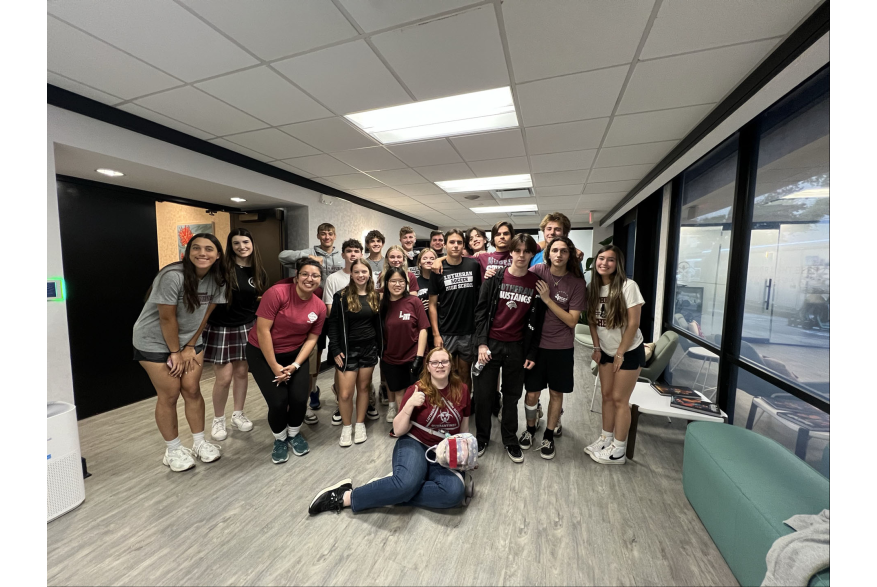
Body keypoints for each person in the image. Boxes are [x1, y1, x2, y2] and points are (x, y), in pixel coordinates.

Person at [308, 347, 472, 516]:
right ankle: (345, 496)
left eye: (444, 361)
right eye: (435, 362)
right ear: (428, 366)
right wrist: (409, 405)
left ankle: (390, 487)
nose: (440, 365)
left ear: (451, 365)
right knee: (406, 485)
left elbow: (464, 430)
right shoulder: (416, 389)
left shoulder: (463, 390)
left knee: (453, 493)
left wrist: (466, 455)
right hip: (415, 443)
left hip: (444, 450)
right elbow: (399, 430)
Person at [132, 233, 226, 472]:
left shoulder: (218, 278)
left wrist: (190, 346)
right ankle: (173, 449)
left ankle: (199, 443)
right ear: (188, 252)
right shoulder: (173, 275)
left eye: (208, 249)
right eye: (196, 248)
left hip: (189, 342)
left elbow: (205, 315)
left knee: (193, 390)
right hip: (154, 340)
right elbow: (166, 317)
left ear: (217, 255)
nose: (202, 253)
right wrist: (175, 351)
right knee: (170, 393)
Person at [473, 233, 546, 463]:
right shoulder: (495, 278)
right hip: (490, 345)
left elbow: (538, 323)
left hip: (517, 348)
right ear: (511, 253)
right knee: (484, 395)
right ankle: (482, 439)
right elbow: (481, 313)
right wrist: (482, 343)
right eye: (518, 250)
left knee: (512, 397)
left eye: (527, 251)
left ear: (532, 254)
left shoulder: (536, 285)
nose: (522, 255)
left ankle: (510, 440)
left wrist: (532, 352)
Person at [246, 258, 326, 464]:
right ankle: (280, 439)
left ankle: (294, 434)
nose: (310, 279)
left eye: (315, 275)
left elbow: (312, 338)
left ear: (320, 279)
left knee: (300, 399)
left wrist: (296, 365)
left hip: (294, 355)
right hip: (262, 354)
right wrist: (275, 367)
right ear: (296, 276)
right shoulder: (277, 293)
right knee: (279, 401)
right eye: (305, 274)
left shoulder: (318, 306)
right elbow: (263, 331)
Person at [520, 236, 585, 460]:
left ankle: (548, 434)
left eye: (563, 251)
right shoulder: (538, 270)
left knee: (557, 393)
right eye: (554, 250)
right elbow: (515, 273)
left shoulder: (576, 282)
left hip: (561, 347)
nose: (558, 254)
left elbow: (572, 320)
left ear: (570, 255)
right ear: (548, 253)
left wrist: (547, 299)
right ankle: (530, 429)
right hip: (535, 346)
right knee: (531, 393)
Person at [204, 229, 267, 441]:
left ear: (252, 244)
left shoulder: (259, 272)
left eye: (245, 242)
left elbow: (257, 300)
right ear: (230, 246)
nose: (242, 246)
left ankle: (238, 414)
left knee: (242, 373)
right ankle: (218, 419)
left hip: (246, 327)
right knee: (223, 378)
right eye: (236, 243)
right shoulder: (221, 269)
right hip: (221, 327)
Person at [585, 245, 645, 466]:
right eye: (601, 258)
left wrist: (620, 352)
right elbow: (592, 320)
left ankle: (618, 450)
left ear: (617, 264)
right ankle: (605, 439)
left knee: (621, 400)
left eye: (610, 260)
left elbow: (633, 323)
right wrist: (597, 347)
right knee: (607, 396)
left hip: (628, 351)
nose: (604, 263)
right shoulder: (593, 287)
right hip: (606, 352)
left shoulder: (628, 286)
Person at [279, 223, 342, 414]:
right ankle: (312, 390)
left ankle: (340, 390)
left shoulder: (340, 256)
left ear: (335, 235)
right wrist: (307, 258)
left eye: (330, 233)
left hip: (338, 312)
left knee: (340, 353)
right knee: (316, 350)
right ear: (318, 235)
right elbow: (282, 256)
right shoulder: (309, 252)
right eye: (323, 233)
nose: (326, 236)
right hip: (315, 310)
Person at [327, 258, 383, 446]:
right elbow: (333, 324)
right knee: (344, 394)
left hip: (369, 349)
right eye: (356, 272)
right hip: (346, 350)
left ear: (369, 274)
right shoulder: (341, 296)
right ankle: (346, 427)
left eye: (364, 272)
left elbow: (379, 324)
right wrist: (335, 349)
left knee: (364, 388)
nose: (360, 275)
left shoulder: (375, 296)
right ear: (351, 274)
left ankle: (359, 424)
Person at [428, 229, 482, 391]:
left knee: (466, 372)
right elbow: (432, 305)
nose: (456, 245)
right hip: (446, 332)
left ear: (464, 245)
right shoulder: (437, 269)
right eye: (452, 242)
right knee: (444, 372)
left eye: (459, 242)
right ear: (444, 245)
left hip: (468, 331)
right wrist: (436, 334)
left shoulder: (473, 265)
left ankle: (464, 406)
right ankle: (444, 406)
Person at [379, 267, 429, 423]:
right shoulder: (382, 305)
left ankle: (420, 424)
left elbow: (423, 329)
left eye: (401, 281)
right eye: (393, 281)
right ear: (386, 283)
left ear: (406, 283)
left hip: (414, 356)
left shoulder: (414, 301)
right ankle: (405, 425)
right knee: (400, 393)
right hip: (392, 358)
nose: (397, 284)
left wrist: (419, 357)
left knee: (418, 392)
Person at [414, 248, 437, 350]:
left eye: (432, 258)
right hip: (421, 327)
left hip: (440, 326)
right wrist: (419, 307)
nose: (428, 260)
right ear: (419, 263)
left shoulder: (441, 280)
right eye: (425, 258)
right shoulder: (414, 282)